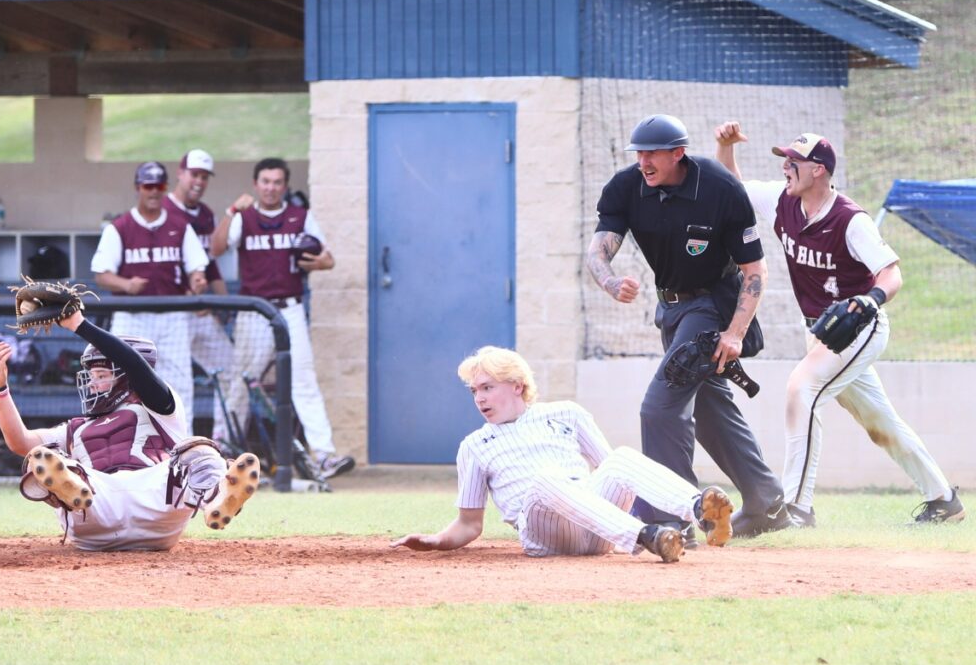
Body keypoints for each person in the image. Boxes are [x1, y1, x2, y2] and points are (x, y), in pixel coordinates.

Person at [714, 122, 965, 526]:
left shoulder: (851, 220)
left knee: (802, 390)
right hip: (820, 331)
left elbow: (892, 273)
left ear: (819, 170)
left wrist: (871, 300)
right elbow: (734, 187)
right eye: (785, 160)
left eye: (794, 161)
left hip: (859, 328)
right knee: (879, 421)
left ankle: (796, 507)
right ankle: (943, 500)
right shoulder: (783, 201)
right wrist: (725, 148)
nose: (786, 168)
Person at [585, 113, 790, 540]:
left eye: (652, 153)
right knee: (710, 406)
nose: (643, 161)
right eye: (638, 153)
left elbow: (755, 268)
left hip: (712, 306)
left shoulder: (718, 187)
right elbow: (597, 252)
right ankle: (767, 502)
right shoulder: (627, 187)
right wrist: (609, 281)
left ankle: (673, 517)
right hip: (672, 309)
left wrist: (734, 333)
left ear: (677, 153)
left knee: (659, 408)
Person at [391, 346, 736, 563]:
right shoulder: (474, 445)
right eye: (474, 391)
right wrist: (437, 541)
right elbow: (469, 524)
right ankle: (648, 536)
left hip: (597, 527)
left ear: (517, 385)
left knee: (621, 457)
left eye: (487, 388)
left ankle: (700, 511)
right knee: (545, 480)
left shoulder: (566, 412)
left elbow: (612, 471)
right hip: (545, 533)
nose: (479, 398)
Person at [0, 308, 259, 551]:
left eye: (101, 376)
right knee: (41, 458)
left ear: (126, 377)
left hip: (156, 503)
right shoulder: (75, 427)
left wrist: (80, 325)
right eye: (91, 377)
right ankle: (70, 485)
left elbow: (135, 367)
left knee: (199, 449)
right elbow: (20, 441)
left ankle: (216, 499)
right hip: (95, 507)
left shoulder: (162, 409)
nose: (92, 384)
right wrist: (0, 388)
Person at [210, 157, 354, 479]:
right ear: (256, 184)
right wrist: (231, 211)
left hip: (289, 307)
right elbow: (216, 248)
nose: (271, 187)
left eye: (277, 182)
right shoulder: (244, 216)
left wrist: (319, 263)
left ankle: (323, 455)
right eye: (266, 181)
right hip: (255, 310)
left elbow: (327, 259)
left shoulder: (299, 217)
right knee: (241, 382)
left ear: (285, 185)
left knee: (303, 379)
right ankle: (221, 451)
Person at [91, 161, 209, 435]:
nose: (154, 192)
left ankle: (183, 448)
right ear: (138, 188)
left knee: (180, 385)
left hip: (172, 316)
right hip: (132, 316)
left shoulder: (180, 226)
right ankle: (121, 445)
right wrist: (126, 284)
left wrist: (198, 281)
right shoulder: (120, 226)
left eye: (159, 186)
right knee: (121, 383)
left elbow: (196, 269)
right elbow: (101, 275)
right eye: (148, 186)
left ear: (166, 188)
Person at [163, 149, 237, 444]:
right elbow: (159, 267)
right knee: (180, 386)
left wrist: (222, 303)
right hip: (175, 312)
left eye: (204, 177)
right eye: (194, 174)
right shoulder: (164, 211)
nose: (199, 181)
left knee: (231, 370)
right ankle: (185, 451)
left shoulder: (205, 214)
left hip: (202, 310)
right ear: (180, 173)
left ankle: (222, 440)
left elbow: (211, 263)